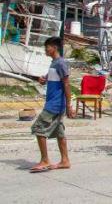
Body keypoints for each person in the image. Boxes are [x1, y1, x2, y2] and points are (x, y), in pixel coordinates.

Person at [29, 36, 73, 173]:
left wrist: (69, 105)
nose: (45, 50)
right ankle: (65, 160)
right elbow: (52, 77)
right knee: (59, 132)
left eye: (47, 47)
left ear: (54, 47)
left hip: (55, 104)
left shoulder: (61, 63)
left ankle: (45, 160)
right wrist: (44, 79)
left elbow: (66, 84)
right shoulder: (54, 63)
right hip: (54, 103)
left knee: (38, 128)